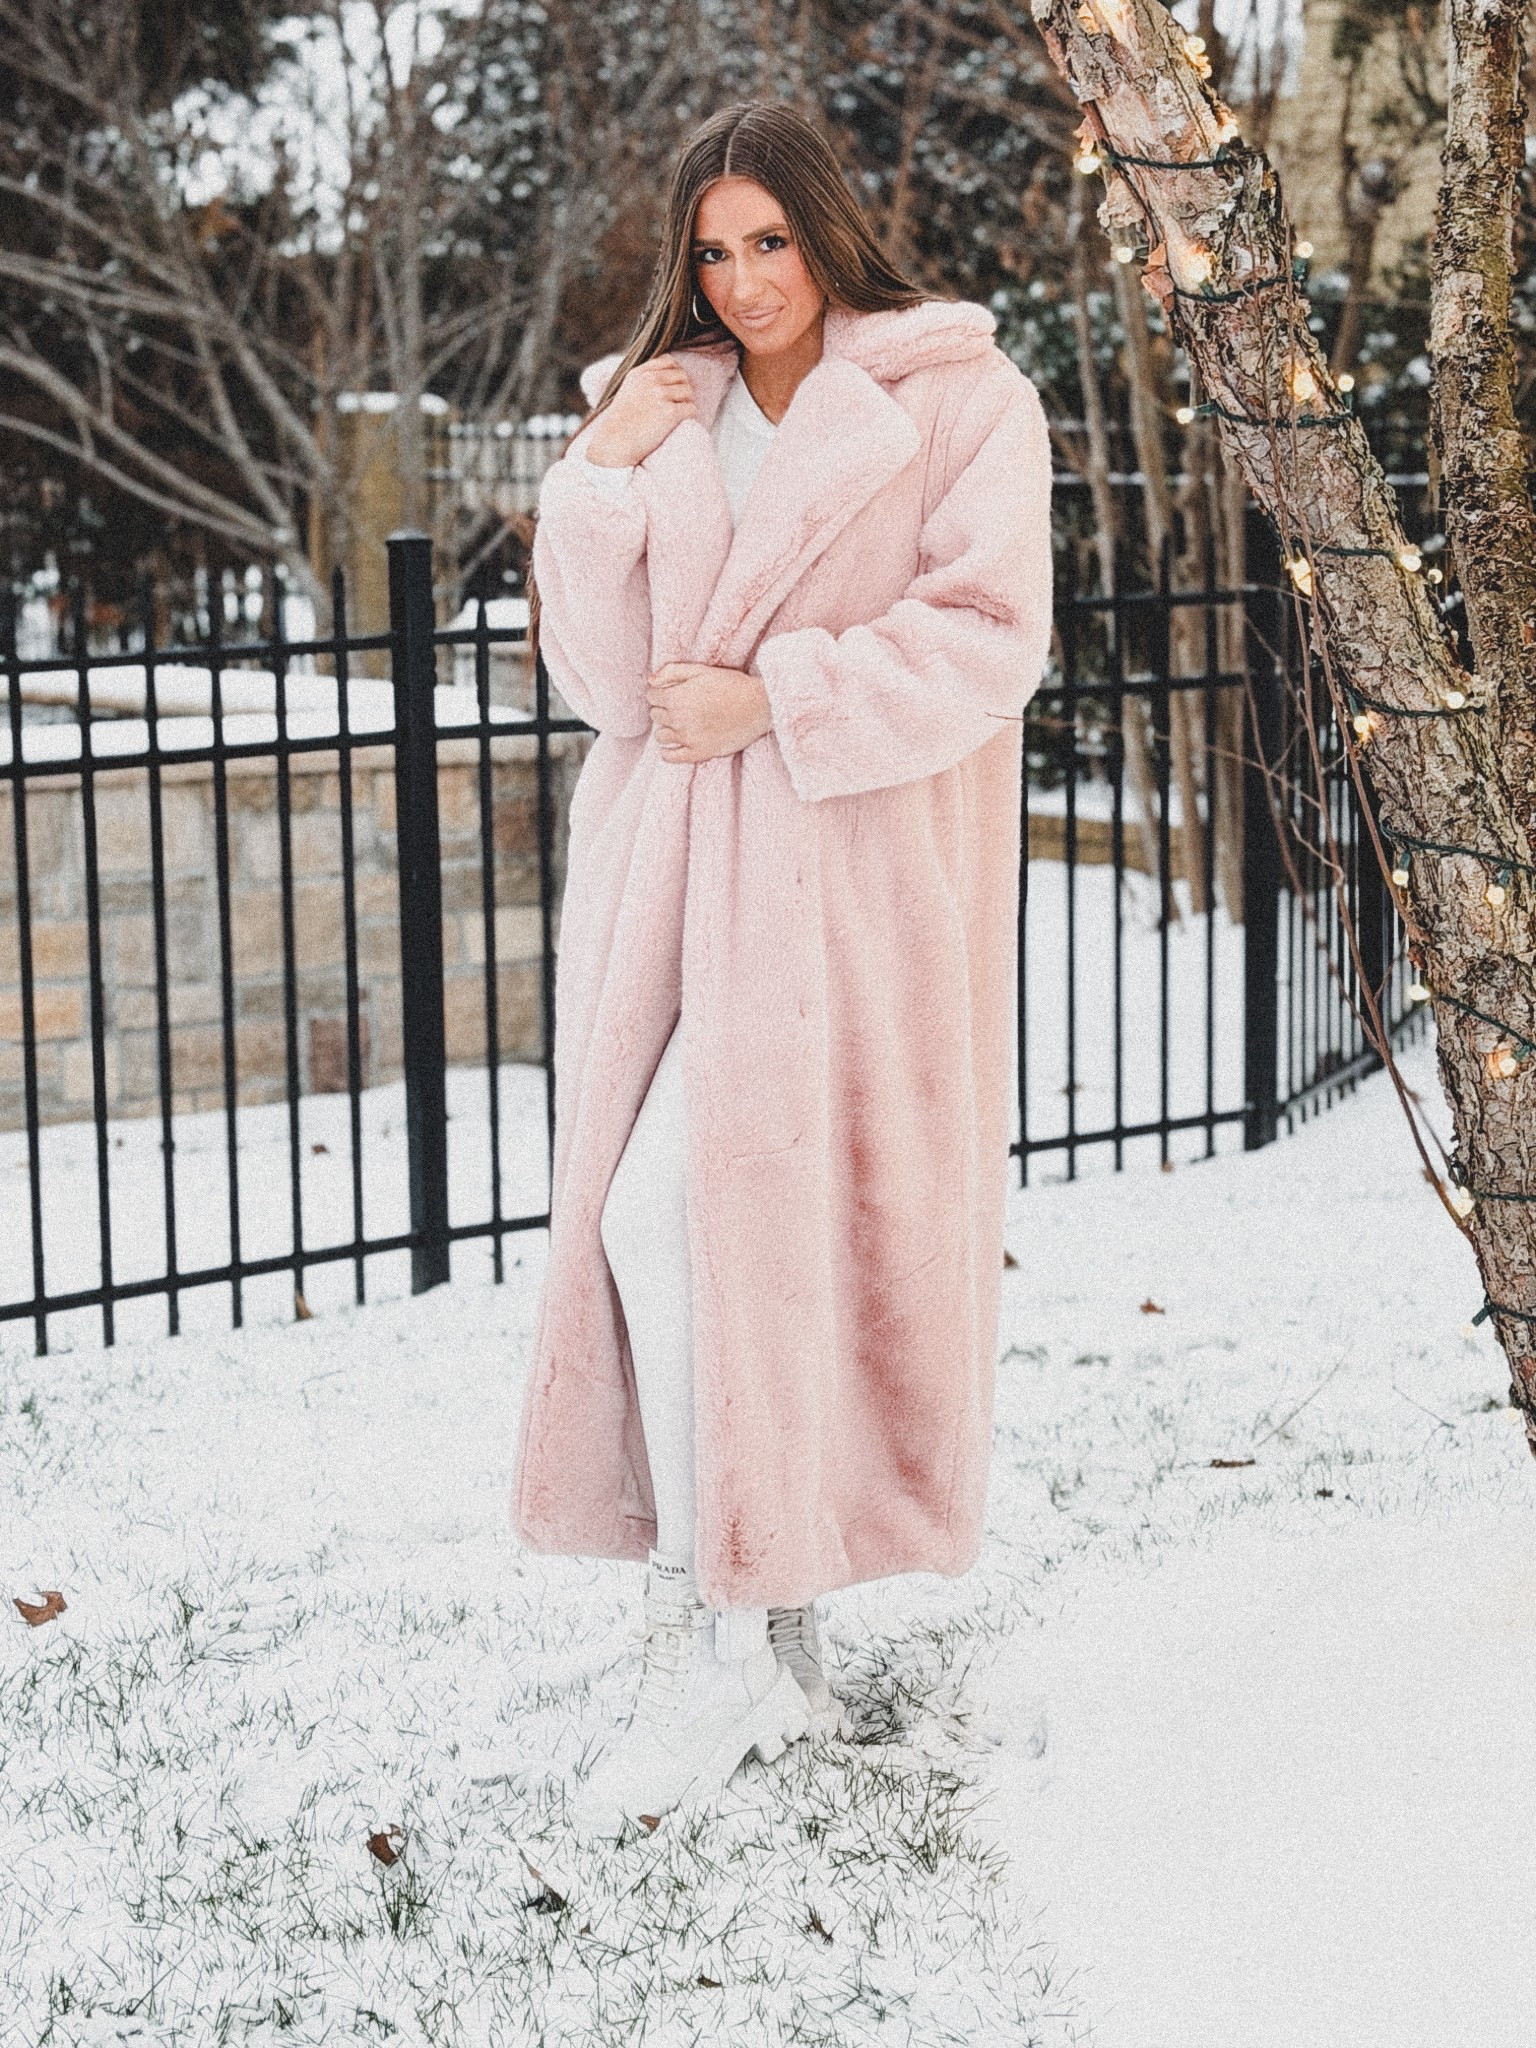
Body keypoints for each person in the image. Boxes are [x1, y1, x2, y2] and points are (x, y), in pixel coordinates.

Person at [511, 98, 1054, 1838]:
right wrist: (592, 484)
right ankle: (747, 1628)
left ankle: (734, 1635)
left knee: (740, 1229)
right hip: (673, 890)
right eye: (714, 251)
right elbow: (606, 685)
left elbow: (992, 638)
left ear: (828, 230)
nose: (746, 282)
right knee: (657, 1218)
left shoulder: (958, 400)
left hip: (843, 893)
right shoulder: (658, 406)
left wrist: (779, 698)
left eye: (772, 241)